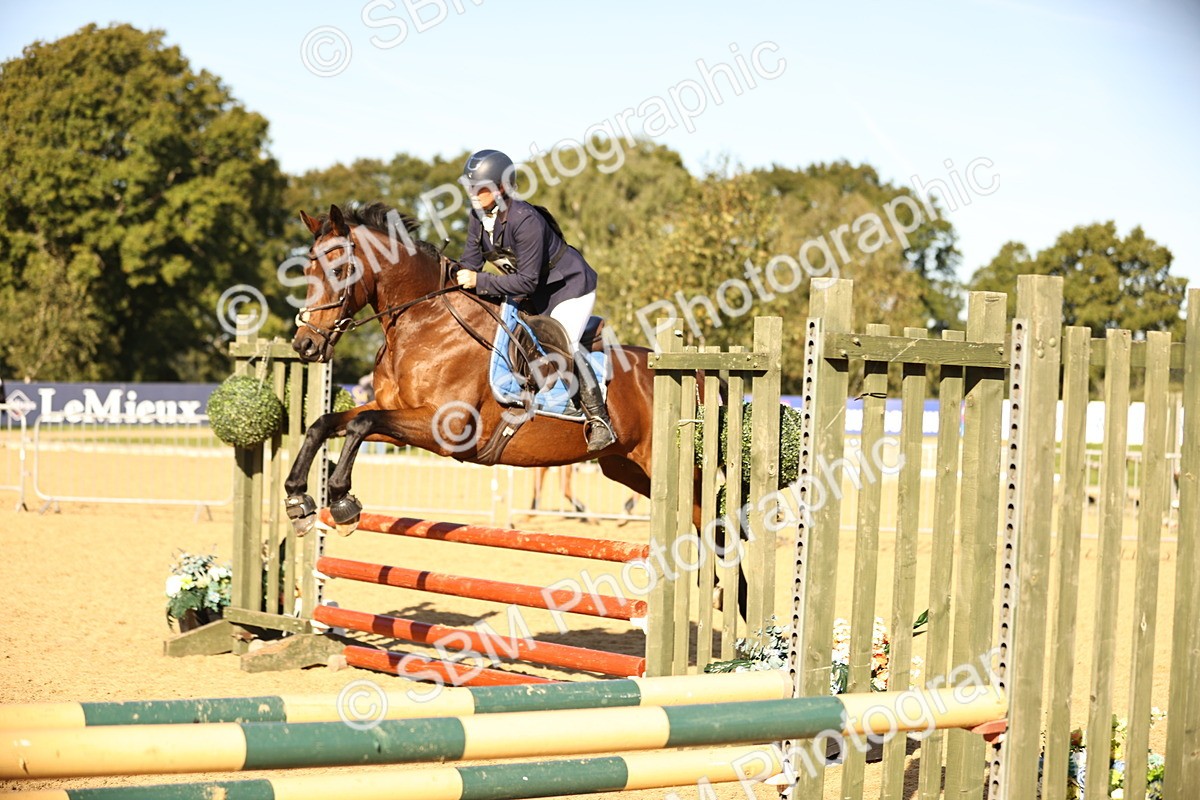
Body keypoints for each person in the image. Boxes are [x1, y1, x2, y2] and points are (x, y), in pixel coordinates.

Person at [454, 149, 616, 453]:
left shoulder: (525, 219)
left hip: (568, 289)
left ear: (501, 188)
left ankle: (600, 420)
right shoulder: (478, 216)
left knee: (563, 343)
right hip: (532, 292)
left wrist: (480, 282)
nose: (473, 194)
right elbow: (470, 264)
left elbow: (525, 280)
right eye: (470, 187)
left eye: (480, 188)